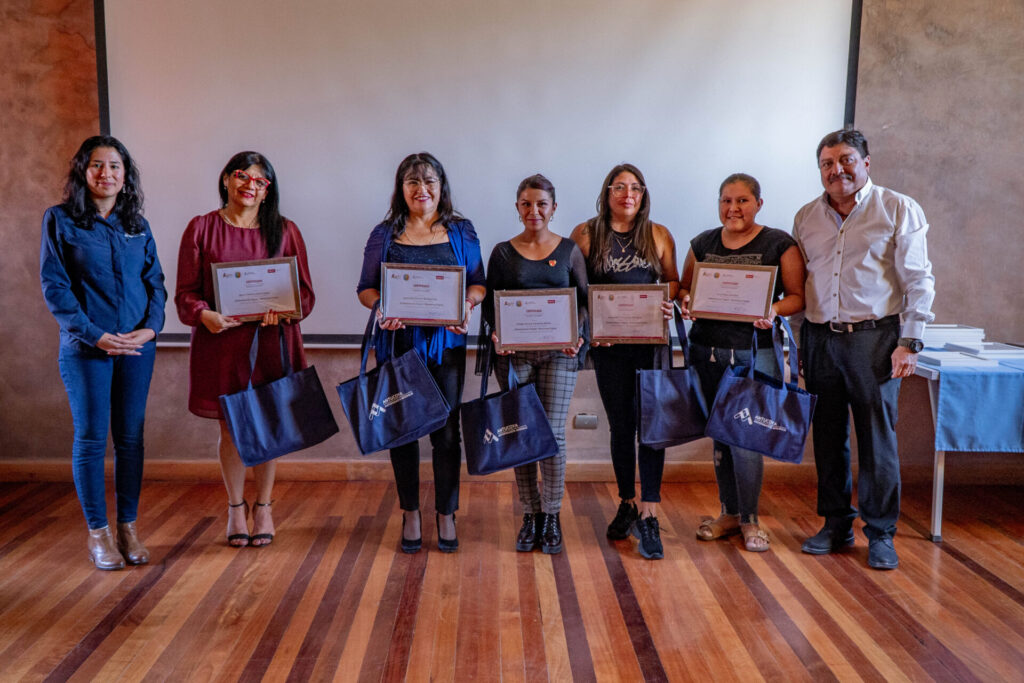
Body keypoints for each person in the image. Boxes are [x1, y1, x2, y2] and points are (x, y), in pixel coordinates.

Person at [793, 129, 934, 570]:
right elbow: (803, 283)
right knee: (828, 436)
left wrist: (910, 342)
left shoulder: (897, 208)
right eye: (827, 164)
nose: (837, 170)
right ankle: (836, 524)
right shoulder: (805, 217)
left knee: (876, 438)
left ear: (865, 163)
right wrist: (799, 343)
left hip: (874, 339)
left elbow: (919, 280)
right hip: (820, 338)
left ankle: (881, 533)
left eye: (846, 160)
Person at [176, 151, 315, 548]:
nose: (250, 185)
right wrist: (203, 314)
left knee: (268, 423)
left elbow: (305, 294)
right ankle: (236, 507)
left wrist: (285, 311)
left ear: (268, 191)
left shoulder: (285, 231)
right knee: (231, 427)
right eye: (242, 176)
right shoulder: (201, 228)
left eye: (260, 181)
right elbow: (185, 294)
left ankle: (264, 506)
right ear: (226, 179)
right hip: (222, 344)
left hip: (271, 342)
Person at [40, 135, 167, 570]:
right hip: (87, 349)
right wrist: (95, 335)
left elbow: (155, 284)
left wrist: (150, 330)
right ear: (83, 171)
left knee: (130, 438)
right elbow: (55, 287)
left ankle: (128, 528)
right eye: (97, 165)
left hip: (136, 349)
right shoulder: (60, 220)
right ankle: (98, 534)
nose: (106, 173)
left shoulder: (138, 225)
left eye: (115, 166)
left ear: (125, 176)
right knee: (92, 438)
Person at [357, 152, 485, 554]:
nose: (421, 189)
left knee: (446, 433)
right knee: (402, 431)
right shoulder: (384, 234)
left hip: (446, 346)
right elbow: (365, 288)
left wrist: (467, 306)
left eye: (429, 181)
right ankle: (410, 513)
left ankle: (446, 513)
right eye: (412, 181)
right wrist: (381, 307)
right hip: (397, 344)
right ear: (401, 188)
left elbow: (478, 282)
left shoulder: (461, 231)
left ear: (441, 187)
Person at [678, 173, 806, 553]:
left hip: (755, 354)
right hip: (706, 351)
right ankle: (729, 514)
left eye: (742, 201)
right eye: (726, 201)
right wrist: (686, 300)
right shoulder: (702, 243)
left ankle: (751, 519)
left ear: (758, 204)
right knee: (720, 435)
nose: (733, 208)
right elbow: (685, 287)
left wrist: (774, 309)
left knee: (747, 439)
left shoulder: (779, 243)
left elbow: (798, 296)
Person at [570, 163, 678, 560]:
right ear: (607, 192)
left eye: (635, 187)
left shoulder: (658, 234)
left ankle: (650, 512)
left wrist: (668, 301)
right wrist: (588, 322)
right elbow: (573, 290)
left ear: (643, 194)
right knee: (621, 425)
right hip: (609, 347)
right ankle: (627, 501)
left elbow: (673, 281)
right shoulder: (585, 234)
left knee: (652, 427)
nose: (627, 194)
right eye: (619, 187)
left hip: (650, 346)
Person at [483, 174, 587, 555]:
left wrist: (578, 335)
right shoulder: (502, 253)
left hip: (559, 355)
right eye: (526, 204)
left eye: (541, 204)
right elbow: (490, 304)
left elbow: (585, 302)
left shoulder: (570, 250)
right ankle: (531, 514)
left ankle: (552, 514)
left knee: (553, 434)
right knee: (521, 433)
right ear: (517, 207)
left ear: (553, 208)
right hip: (514, 357)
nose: (534, 211)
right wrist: (497, 333)